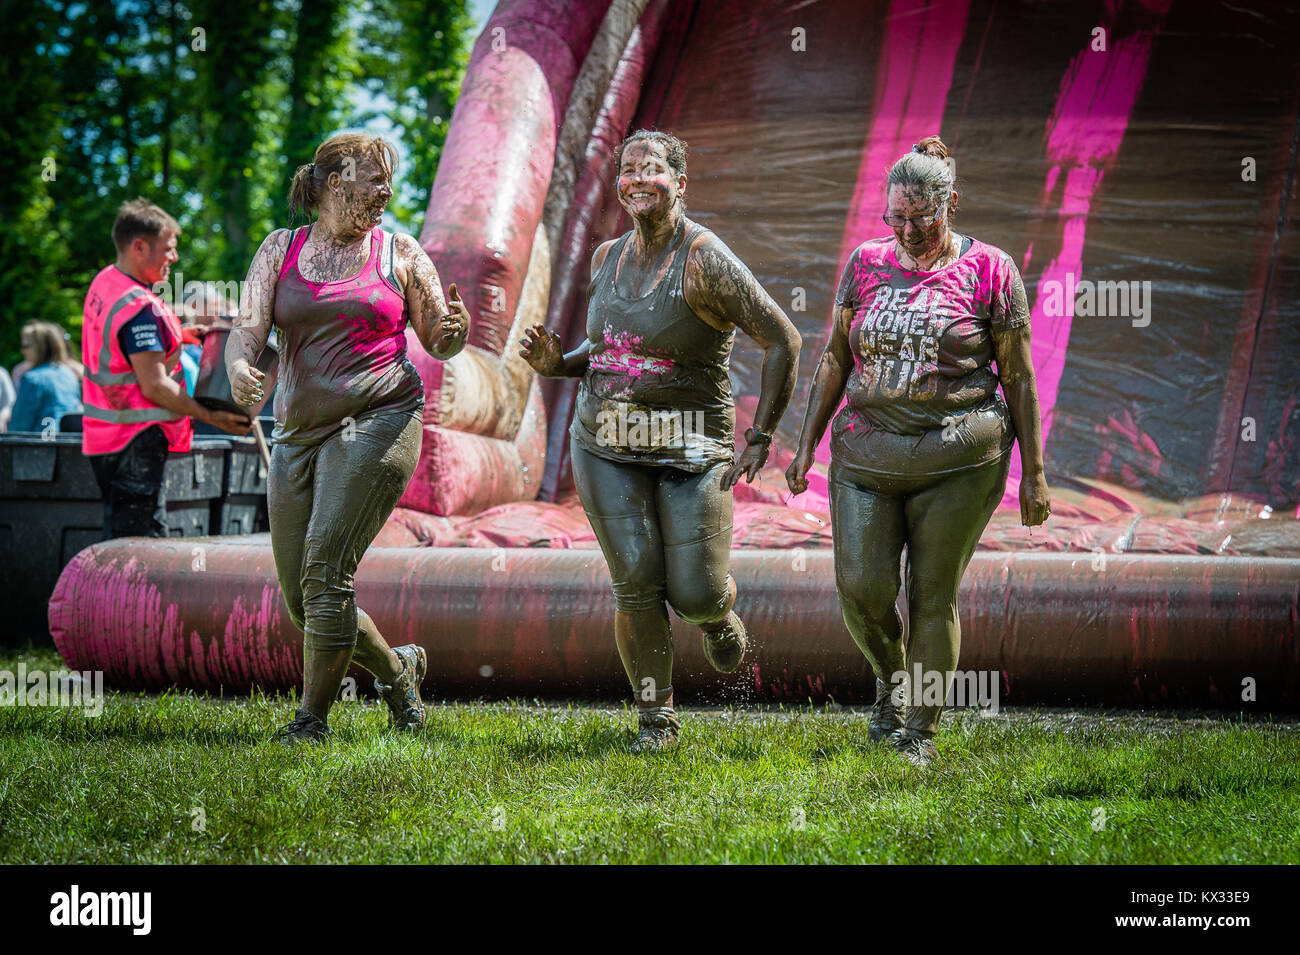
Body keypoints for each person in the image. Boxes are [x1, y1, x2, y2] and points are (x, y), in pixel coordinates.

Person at [521, 130, 801, 753]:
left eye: (653, 170)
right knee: (636, 581)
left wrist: (762, 435)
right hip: (606, 444)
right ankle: (657, 721)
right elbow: (613, 347)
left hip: (693, 451)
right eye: (628, 171)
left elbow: (783, 339)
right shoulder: (606, 258)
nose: (638, 180)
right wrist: (558, 364)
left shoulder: (705, 259)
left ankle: (718, 615)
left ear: (680, 182)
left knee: (694, 592)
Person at [786, 137, 1050, 767]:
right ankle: (889, 681)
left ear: (951, 204)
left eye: (921, 219)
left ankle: (920, 732)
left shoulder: (992, 270)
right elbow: (835, 357)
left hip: (959, 454)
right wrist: (804, 446)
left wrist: (1034, 473)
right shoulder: (865, 263)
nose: (906, 231)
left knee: (932, 594)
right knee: (861, 588)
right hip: (866, 454)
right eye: (895, 218)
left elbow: (1018, 375)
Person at [227, 132, 470, 743]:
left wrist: (455, 330)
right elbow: (246, 328)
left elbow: (439, 336)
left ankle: (311, 719)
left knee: (325, 567)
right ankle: (397, 674)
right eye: (376, 178)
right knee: (302, 602)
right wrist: (238, 366)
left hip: (380, 417)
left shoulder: (401, 252)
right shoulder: (279, 248)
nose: (387, 191)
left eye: (390, 180)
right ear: (336, 183)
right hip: (297, 433)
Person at [81, 199, 251, 540]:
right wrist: (211, 416)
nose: (174, 258)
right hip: (134, 441)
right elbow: (155, 385)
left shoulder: (107, 281)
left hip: (107, 436)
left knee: (125, 536)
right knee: (137, 548)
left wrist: (180, 334)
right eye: (168, 249)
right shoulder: (139, 308)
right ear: (139, 246)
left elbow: (124, 343)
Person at [8, 322, 82, 432]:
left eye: (26, 346)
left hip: (40, 445)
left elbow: (18, 427)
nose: (22, 351)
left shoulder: (32, 379)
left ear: (39, 348)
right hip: (67, 444)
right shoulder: (70, 375)